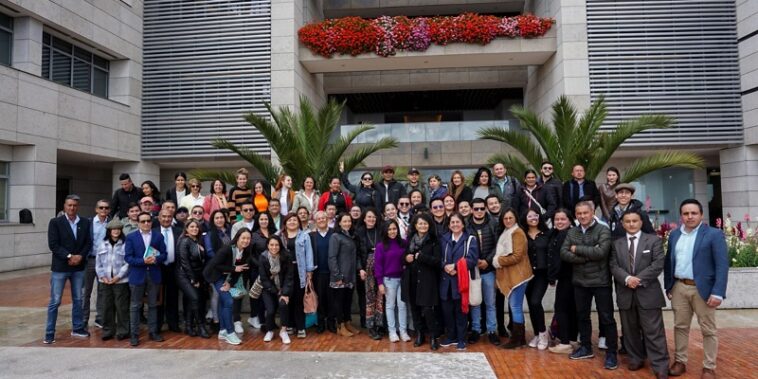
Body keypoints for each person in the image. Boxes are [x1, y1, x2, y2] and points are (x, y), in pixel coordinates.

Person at [664, 199, 728, 379]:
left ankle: (709, 367)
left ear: (701, 214)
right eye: (686, 213)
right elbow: (669, 262)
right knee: (680, 326)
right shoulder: (675, 235)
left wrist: (718, 292)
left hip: (704, 290)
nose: (689, 216)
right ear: (681, 216)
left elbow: (722, 266)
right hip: (679, 287)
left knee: (708, 329)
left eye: (693, 213)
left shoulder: (714, 234)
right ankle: (680, 362)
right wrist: (669, 286)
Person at [609, 209, 669, 377]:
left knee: (654, 332)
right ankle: (635, 358)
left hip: (648, 293)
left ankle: (660, 365)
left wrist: (638, 279)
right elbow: (613, 265)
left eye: (634, 221)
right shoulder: (617, 243)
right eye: (627, 221)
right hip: (625, 293)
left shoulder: (654, 240)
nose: (631, 224)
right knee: (629, 330)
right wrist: (627, 279)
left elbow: (658, 264)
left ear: (641, 222)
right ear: (622, 224)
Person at [560, 201, 618, 369]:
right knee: (582, 316)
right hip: (580, 282)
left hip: (601, 282)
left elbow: (601, 252)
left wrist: (576, 249)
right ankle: (586, 347)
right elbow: (564, 253)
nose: (582, 216)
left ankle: (612, 352)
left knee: (606, 317)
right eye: (579, 213)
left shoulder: (603, 230)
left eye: (585, 213)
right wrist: (588, 255)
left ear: (593, 212)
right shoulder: (572, 231)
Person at [44, 194, 93, 344]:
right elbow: (53, 245)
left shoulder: (84, 222)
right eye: (69, 205)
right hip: (60, 267)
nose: (72, 208)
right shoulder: (55, 222)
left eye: (74, 205)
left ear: (78, 207)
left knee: (78, 299)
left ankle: (78, 328)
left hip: (78, 268)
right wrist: (69, 256)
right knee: (55, 300)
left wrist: (80, 256)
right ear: (64, 206)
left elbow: (88, 243)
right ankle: (49, 333)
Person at [124, 211, 168, 347]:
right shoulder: (131, 237)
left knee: (153, 305)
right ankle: (134, 335)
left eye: (148, 221)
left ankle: (153, 332)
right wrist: (143, 261)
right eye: (143, 221)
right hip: (137, 275)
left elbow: (164, 254)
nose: (146, 223)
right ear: (138, 223)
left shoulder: (158, 236)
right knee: (135, 306)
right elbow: (128, 258)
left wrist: (156, 258)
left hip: (154, 274)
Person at [203, 228, 251, 345]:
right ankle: (230, 333)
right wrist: (233, 269)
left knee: (224, 302)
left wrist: (230, 283)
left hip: (227, 278)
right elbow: (215, 264)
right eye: (243, 238)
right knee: (228, 301)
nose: (246, 240)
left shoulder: (245, 251)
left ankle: (222, 331)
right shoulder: (227, 249)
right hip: (215, 275)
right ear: (237, 238)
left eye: (248, 238)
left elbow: (240, 270)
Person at [493, 208, 532, 349]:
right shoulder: (507, 232)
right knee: (515, 306)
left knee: (515, 307)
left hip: (519, 276)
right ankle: (519, 338)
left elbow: (517, 256)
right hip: (513, 274)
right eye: (505, 218)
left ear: (515, 218)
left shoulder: (518, 233)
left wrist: (497, 261)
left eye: (510, 218)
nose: (508, 220)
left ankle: (517, 339)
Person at [439, 213, 478, 350]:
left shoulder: (470, 239)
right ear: (449, 225)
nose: (455, 224)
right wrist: (445, 266)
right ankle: (451, 336)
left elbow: (472, 259)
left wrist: (455, 266)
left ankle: (461, 338)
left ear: (462, 224)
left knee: (461, 311)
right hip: (445, 281)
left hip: (461, 281)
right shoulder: (443, 239)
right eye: (452, 222)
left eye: (457, 222)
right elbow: (439, 257)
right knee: (447, 311)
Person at [403, 212, 442, 350]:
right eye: (420, 223)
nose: (423, 226)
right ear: (415, 225)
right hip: (412, 278)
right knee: (415, 309)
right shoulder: (410, 239)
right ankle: (419, 334)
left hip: (427, 279)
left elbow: (438, 261)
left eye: (425, 223)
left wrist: (422, 257)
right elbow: (405, 256)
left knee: (427, 309)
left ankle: (433, 335)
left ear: (429, 225)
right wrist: (406, 258)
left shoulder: (434, 240)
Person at [466, 198, 501, 346]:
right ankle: (475, 329)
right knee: (475, 301)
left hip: (489, 269)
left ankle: (492, 330)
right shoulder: (467, 225)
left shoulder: (493, 223)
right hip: (473, 270)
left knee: (490, 302)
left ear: (486, 209)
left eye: (482, 208)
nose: (479, 211)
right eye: (476, 209)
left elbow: (498, 245)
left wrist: (487, 260)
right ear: (472, 210)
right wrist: (475, 261)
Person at [279, 213, 315, 338]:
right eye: (290, 220)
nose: (292, 222)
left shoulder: (305, 236)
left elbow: (309, 254)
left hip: (299, 271)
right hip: (284, 272)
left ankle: (300, 327)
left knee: (299, 300)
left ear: (299, 222)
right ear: (285, 222)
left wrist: (309, 271)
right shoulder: (280, 236)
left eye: (295, 220)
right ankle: (289, 325)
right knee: (287, 298)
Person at [547, 209, 578, 354]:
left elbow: (558, 259)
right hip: (569, 277)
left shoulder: (566, 235)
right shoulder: (558, 234)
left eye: (563, 219)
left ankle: (565, 342)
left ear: (570, 220)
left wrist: (552, 276)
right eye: (557, 219)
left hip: (568, 277)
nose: (559, 222)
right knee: (570, 309)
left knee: (561, 309)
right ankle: (571, 338)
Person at [328, 213, 364, 337]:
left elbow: (356, 256)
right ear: (339, 223)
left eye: (349, 221)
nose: (347, 223)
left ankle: (348, 323)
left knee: (347, 302)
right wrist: (337, 276)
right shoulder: (335, 236)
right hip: (339, 277)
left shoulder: (352, 236)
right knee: (338, 302)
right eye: (344, 221)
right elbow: (332, 257)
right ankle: (340, 326)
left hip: (350, 276)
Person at [95, 219, 129, 341]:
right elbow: (98, 263)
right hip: (105, 281)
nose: (116, 231)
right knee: (106, 306)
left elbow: (127, 263)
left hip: (121, 281)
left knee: (121, 307)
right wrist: (102, 276)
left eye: (118, 229)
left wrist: (118, 276)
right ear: (109, 231)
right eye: (113, 229)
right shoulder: (102, 244)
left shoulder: (125, 244)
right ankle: (108, 330)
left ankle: (123, 331)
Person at [375, 220, 409, 343]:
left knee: (402, 305)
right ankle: (392, 332)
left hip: (402, 279)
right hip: (388, 280)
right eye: (389, 229)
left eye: (394, 229)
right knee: (390, 306)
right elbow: (378, 266)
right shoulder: (380, 246)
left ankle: (403, 331)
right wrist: (380, 283)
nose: (392, 231)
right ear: (385, 231)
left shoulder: (404, 243)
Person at [176, 219, 210, 339]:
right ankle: (201, 326)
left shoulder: (197, 241)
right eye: (192, 227)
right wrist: (193, 279)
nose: (194, 229)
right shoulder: (184, 241)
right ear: (186, 228)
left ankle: (189, 327)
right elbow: (185, 263)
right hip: (184, 276)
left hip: (197, 274)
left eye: (196, 227)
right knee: (195, 298)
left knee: (193, 300)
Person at [523, 209, 551, 350]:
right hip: (527, 274)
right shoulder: (522, 234)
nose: (533, 218)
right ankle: (536, 333)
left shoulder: (547, 234)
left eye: (536, 215)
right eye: (530, 216)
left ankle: (543, 332)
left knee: (535, 301)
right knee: (531, 304)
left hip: (542, 274)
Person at [258, 235, 294, 344]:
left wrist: (284, 292)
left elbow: (289, 276)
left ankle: (283, 331)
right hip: (268, 288)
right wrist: (275, 291)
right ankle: (269, 330)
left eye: (277, 245)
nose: (274, 247)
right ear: (267, 246)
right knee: (270, 310)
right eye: (271, 245)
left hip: (284, 288)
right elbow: (263, 278)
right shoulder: (263, 257)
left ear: (280, 245)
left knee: (283, 305)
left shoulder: (286, 256)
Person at [154, 209, 183, 333]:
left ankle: (173, 324)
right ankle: (158, 324)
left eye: (169, 217)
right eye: (164, 216)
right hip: (158, 268)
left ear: (172, 218)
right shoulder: (153, 232)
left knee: (173, 297)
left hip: (173, 268)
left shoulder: (179, 231)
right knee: (158, 298)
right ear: (159, 218)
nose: (166, 219)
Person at [84, 199, 110, 329]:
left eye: (106, 208)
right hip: (90, 260)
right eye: (101, 208)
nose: (103, 210)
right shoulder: (88, 223)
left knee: (102, 291)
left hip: (104, 262)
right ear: (96, 209)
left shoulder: (111, 224)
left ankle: (100, 319)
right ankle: (83, 319)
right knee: (86, 291)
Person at [204, 209, 231, 330]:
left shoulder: (230, 232)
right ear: (213, 220)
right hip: (215, 268)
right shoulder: (209, 234)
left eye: (221, 217)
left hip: (229, 268)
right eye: (217, 218)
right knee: (216, 294)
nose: (219, 220)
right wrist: (221, 263)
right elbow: (210, 252)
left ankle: (226, 321)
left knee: (226, 295)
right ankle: (216, 321)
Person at [249, 211, 277, 329]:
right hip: (257, 271)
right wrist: (261, 266)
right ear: (258, 221)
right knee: (260, 297)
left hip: (274, 271)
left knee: (273, 295)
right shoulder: (254, 235)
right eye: (261, 219)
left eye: (266, 219)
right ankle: (261, 320)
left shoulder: (275, 233)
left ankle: (271, 321)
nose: (264, 221)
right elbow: (250, 255)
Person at [355, 208, 381, 336]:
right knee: (368, 297)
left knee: (380, 296)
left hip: (381, 266)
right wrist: (360, 268)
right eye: (369, 217)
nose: (371, 219)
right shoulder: (359, 232)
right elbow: (357, 253)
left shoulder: (380, 231)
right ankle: (369, 324)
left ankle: (380, 324)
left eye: (373, 217)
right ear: (364, 219)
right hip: (365, 267)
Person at [309, 211, 334, 334]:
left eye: (323, 218)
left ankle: (331, 322)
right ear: (315, 221)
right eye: (319, 219)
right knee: (319, 298)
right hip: (317, 273)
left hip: (332, 272)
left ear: (327, 219)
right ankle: (320, 322)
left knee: (331, 298)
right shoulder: (311, 236)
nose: (321, 220)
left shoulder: (334, 233)